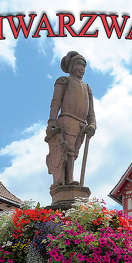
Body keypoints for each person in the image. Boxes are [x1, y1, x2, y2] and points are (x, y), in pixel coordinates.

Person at [45, 51, 96, 188]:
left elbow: (91, 112)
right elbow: (56, 101)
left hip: (81, 124)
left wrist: (92, 124)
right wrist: (52, 121)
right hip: (67, 120)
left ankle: (68, 180)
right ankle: (66, 181)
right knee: (67, 151)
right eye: (79, 64)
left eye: (84, 66)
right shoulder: (64, 81)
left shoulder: (87, 88)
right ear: (72, 66)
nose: (81, 68)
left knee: (74, 154)